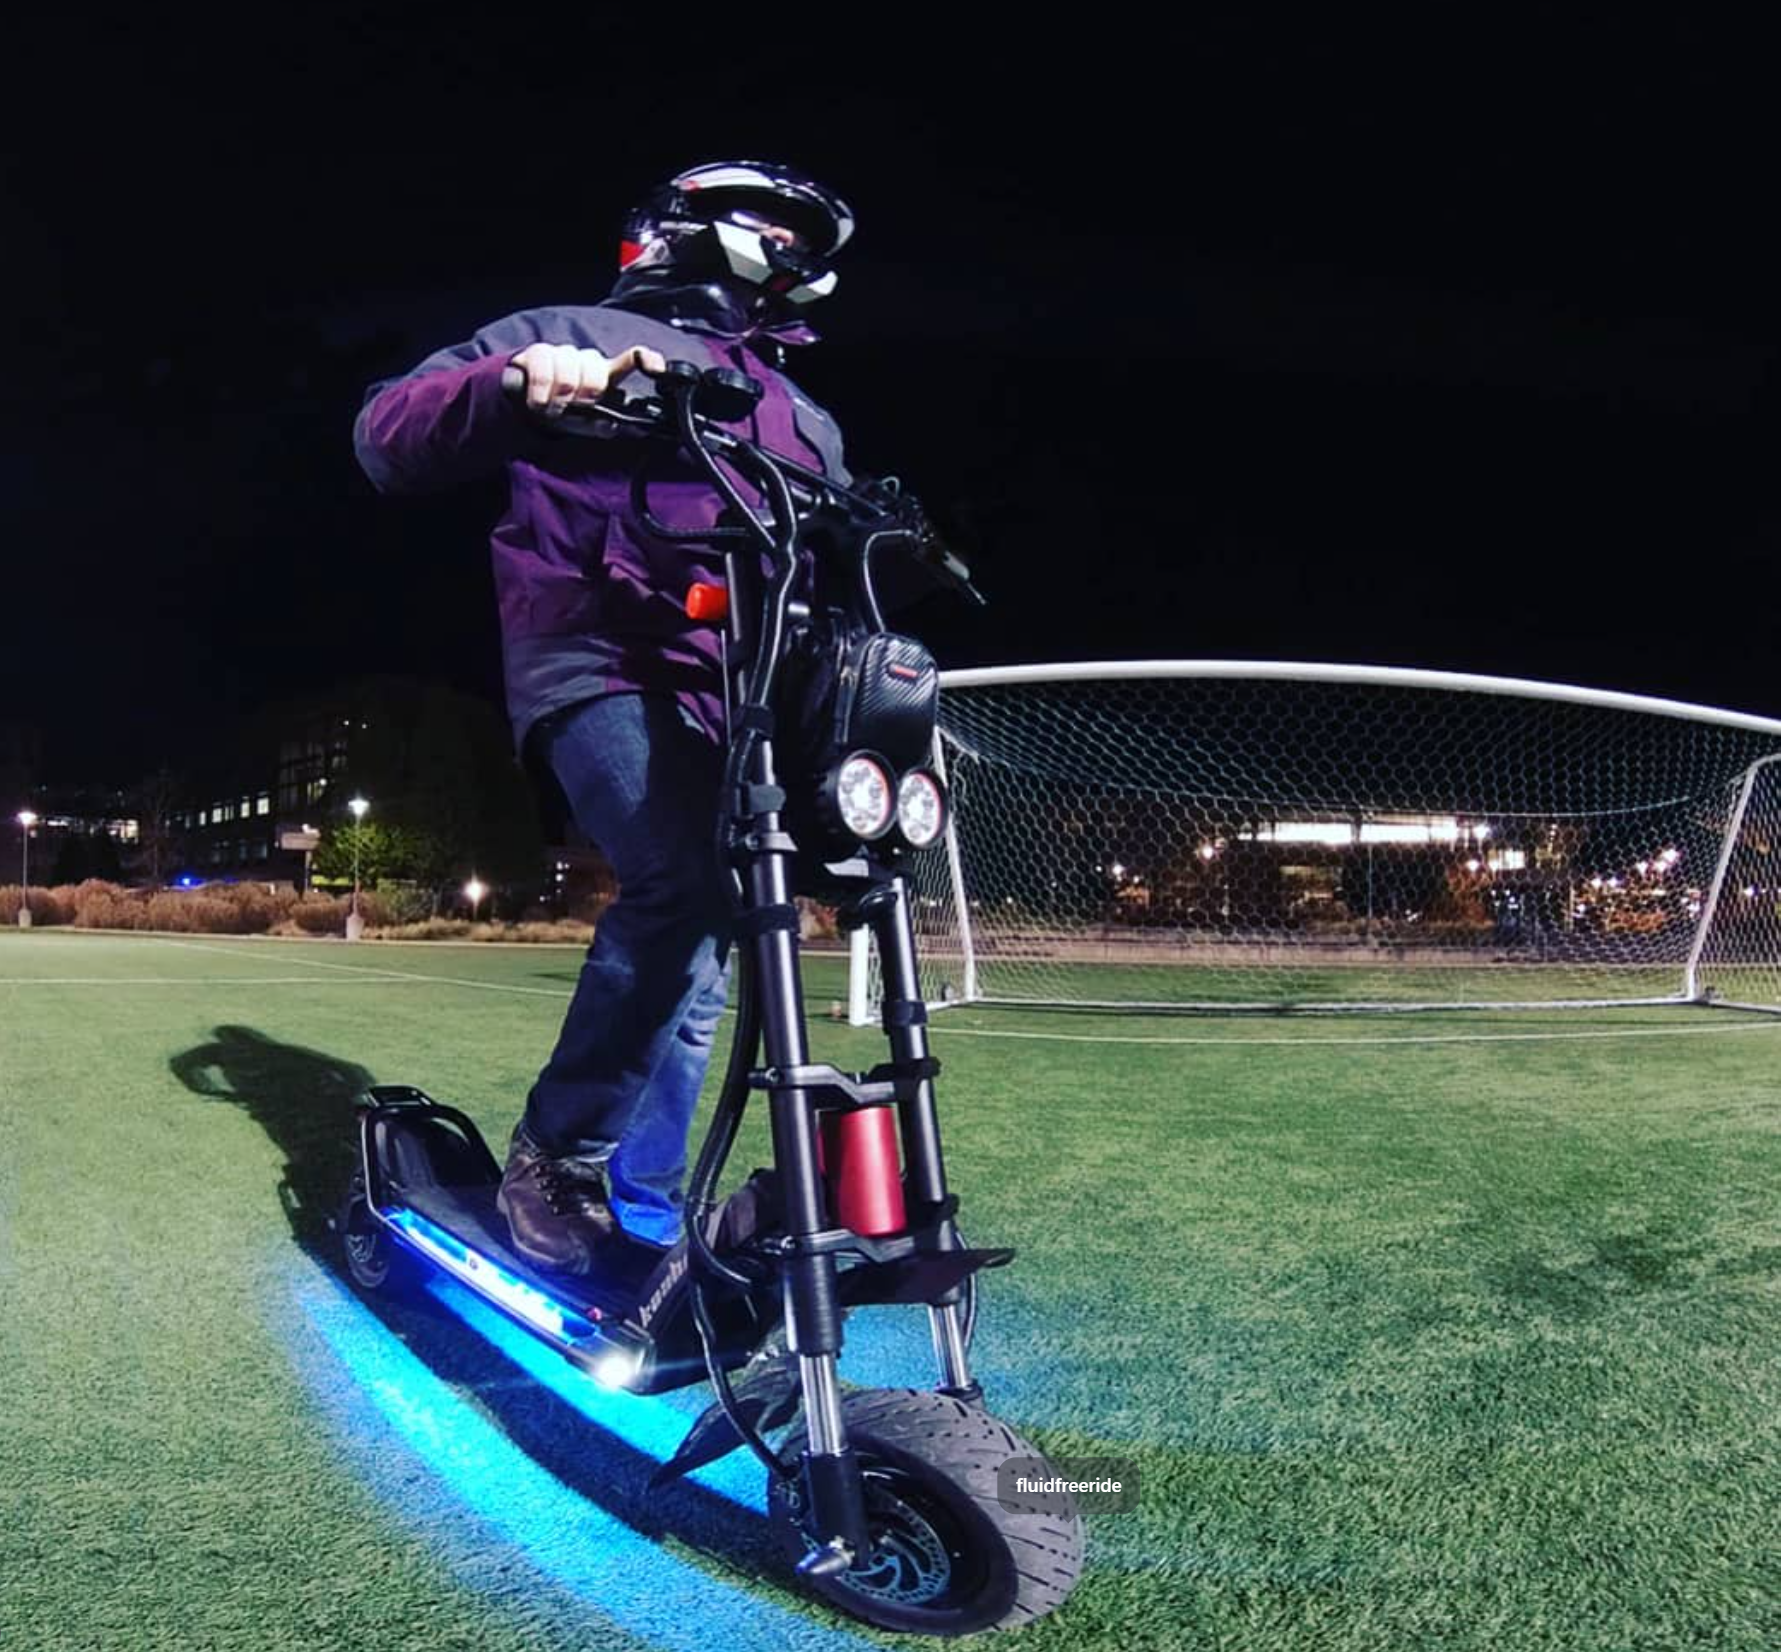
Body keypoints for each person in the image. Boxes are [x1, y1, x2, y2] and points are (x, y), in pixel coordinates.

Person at [352, 161, 857, 1276]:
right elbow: (387, 433)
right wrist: (517, 380)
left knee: (712, 941)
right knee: (684, 882)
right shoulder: (573, 330)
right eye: (765, 225)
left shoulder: (800, 413)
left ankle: (645, 1207)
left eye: (798, 238)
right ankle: (557, 1154)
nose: (782, 247)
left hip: (743, 696)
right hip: (600, 656)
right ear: (676, 231)